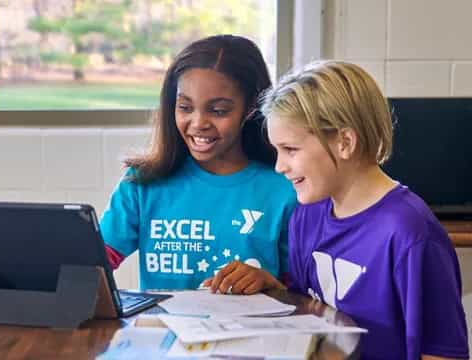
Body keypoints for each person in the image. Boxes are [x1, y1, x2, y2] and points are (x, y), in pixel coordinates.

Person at [260, 61, 468, 359]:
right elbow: (310, 318)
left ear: (345, 142)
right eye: (276, 151)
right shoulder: (306, 216)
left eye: (290, 149)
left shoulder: (410, 234)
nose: (280, 166)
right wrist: (274, 289)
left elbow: (443, 353)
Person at [100, 35, 296, 293]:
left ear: (250, 108)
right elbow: (91, 266)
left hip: (252, 332)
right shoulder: (143, 182)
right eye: (185, 107)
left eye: (218, 111)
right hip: (164, 332)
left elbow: (304, 294)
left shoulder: (286, 188)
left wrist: (270, 283)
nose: (198, 123)